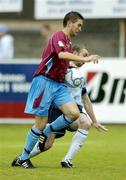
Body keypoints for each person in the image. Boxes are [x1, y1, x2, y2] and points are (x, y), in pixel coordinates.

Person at [11, 11, 100, 169]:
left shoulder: (68, 41)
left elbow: (64, 61)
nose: (80, 28)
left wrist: (73, 65)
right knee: (39, 123)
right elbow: (61, 55)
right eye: (79, 25)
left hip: (58, 85)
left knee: (73, 114)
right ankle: (23, 158)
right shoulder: (58, 36)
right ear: (70, 23)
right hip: (45, 82)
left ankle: (47, 130)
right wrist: (85, 58)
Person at [29, 46, 108, 168]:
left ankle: (67, 160)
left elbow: (86, 99)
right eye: (84, 55)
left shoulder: (79, 76)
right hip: (58, 109)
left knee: (85, 123)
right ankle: (23, 157)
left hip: (74, 111)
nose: (86, 59)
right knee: (47, 145)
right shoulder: (61, 69)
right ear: (75, 53)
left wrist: (95, 121)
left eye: (87, 56)